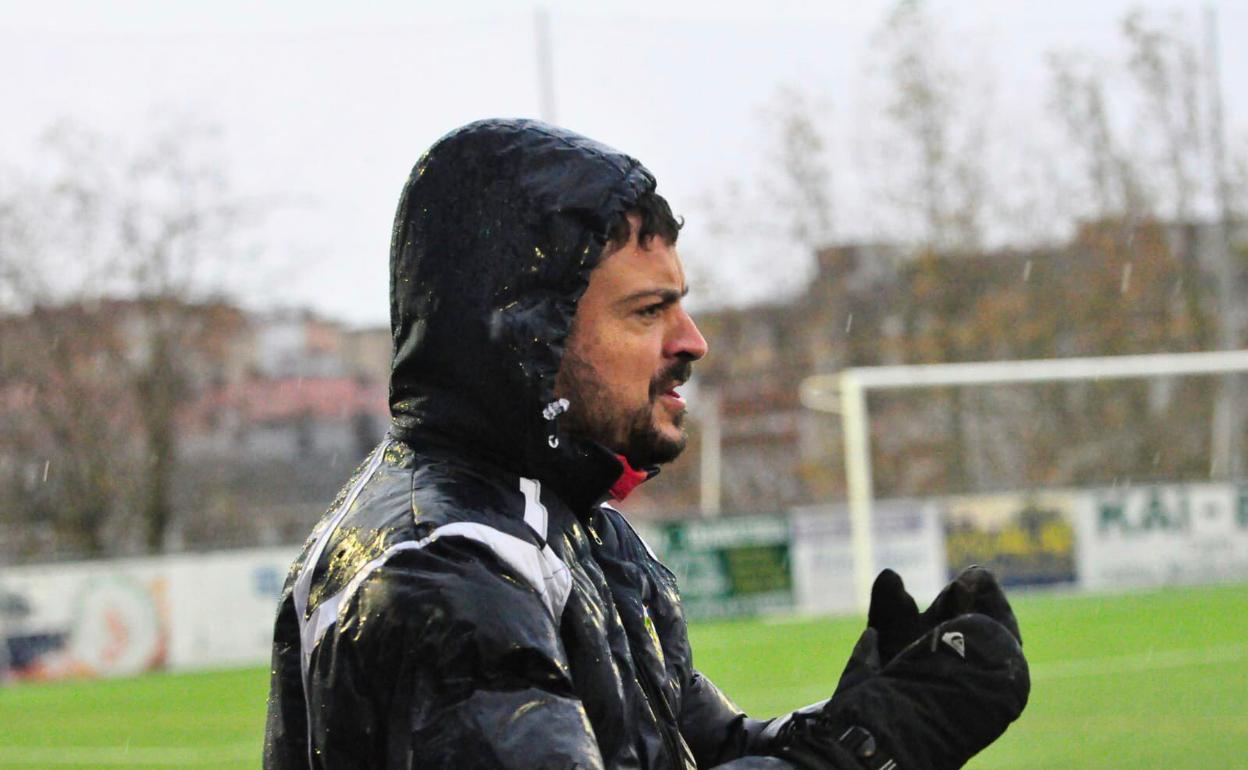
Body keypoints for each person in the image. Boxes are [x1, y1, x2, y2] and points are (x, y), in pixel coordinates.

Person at [263, 119, 1029, 770]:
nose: (691, 342)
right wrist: (861, 748)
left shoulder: (574, 528)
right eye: (646, 312)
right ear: (529, 335)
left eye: (680, 306)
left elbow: (701, 749)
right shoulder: (446, 568)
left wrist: (854, 719)